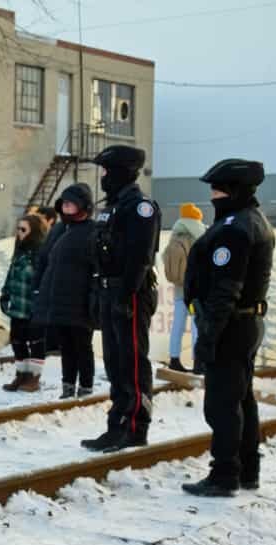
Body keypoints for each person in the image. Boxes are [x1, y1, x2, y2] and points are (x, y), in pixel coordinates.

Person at [182, 159, 276, 497]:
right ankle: (247, 469)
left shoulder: (236, 228)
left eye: (218, 190)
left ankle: (224, 474)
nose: (212, 196)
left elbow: (226, 288)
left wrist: (208, 336)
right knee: (242, 399)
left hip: (231, 324)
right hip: (245, 322)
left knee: (222, 403)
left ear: (235, 191)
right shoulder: (252, 221)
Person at [81, 145, 160, 453]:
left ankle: (136, 425)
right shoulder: (112, 206)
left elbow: (140, 257)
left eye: (107, 171)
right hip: (108, 288)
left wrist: (126, 294)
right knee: (115, 362)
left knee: (133, 361)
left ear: (122, 172)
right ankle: (117, 424)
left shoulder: (140, 206)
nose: (102, 177)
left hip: (131, 291)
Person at [33, 183, 98, 399]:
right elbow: (45, 260)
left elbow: (97, 268)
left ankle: (86, 387)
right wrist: (38, 289)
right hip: (58, 299)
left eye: (71, 204)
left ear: (83, 206)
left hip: (80, 301)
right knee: (66, 347)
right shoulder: (59, 230)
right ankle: (68, 387)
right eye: (64, 204)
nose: (66, 208)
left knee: (82, 346)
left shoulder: (94, 230)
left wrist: (93, 300)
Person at [0, 214, 47, 392]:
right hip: (18, 306)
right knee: (17, 340)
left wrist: (41, 302)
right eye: (18, 229)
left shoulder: (40, 253)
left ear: (33, 232)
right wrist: (5, 294)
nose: (19, 233)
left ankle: (34, 377)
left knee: (35, 341)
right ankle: (22, 375)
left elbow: (44, 279)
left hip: (33, 306)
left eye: (23, 229)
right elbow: (11, 274)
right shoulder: (19, 251)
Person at [162, 203, 206, 373]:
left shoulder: (176, 232)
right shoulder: (201, 232)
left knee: (177, 326)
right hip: (196, 289)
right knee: (196, 325)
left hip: (179, 288)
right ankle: (198, 363)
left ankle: (174, 359)